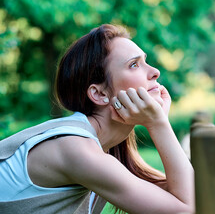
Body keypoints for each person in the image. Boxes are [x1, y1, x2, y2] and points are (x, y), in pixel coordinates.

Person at [0, 24, 195, 214]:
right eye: (134, 64)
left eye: (145, 61)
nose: (155, 72)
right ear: (100, 94)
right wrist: (158, 123)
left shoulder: (100, 146)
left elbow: (184, 194)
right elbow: (187, 208)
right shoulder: (76, 148)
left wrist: (160, 121)